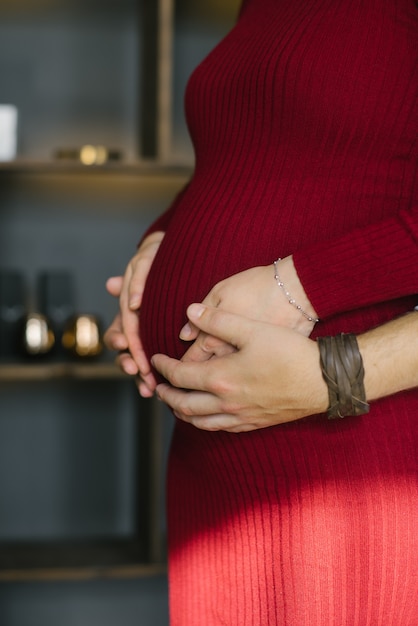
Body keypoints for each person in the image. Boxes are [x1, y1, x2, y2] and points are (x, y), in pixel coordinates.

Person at [105, 0, 418, 623]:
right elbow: (250, 155)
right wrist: (162, 239)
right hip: (213, 457)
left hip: (344, 460)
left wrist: (303, 288)